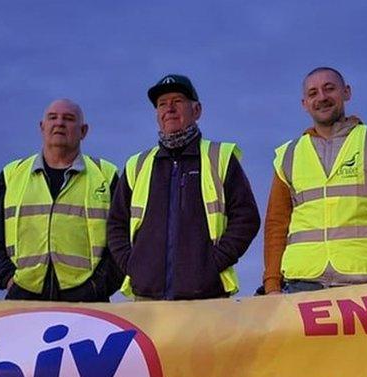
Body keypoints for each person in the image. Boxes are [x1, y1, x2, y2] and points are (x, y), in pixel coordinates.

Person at [107, 74, 260, 300]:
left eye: (177, 101)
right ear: (157, 115)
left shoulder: (220, 158)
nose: (169, 108)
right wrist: (133, 266)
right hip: (147, 300)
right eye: (162, 104)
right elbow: (116, 224)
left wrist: (212, 263)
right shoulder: (137, 165)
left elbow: (246, 218)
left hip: (206, 299)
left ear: (196, 110)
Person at [0, 99, 122, 301]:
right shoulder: (11, 176)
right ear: (42, 127)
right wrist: (9, 280)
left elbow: (122, 240)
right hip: (24, 300)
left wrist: (98, 287)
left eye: (69, 119)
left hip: (88, 304)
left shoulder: (107, 176)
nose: (60, 123)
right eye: (52, 117)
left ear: (84, 131)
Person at [263, 67, 367, 294]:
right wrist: (272, 285)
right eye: (313, 93)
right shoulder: (288, 154)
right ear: (304, 103)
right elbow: (276, 224)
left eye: (329, 89)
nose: (321, 97)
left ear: (346, 92)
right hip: (302, 285)